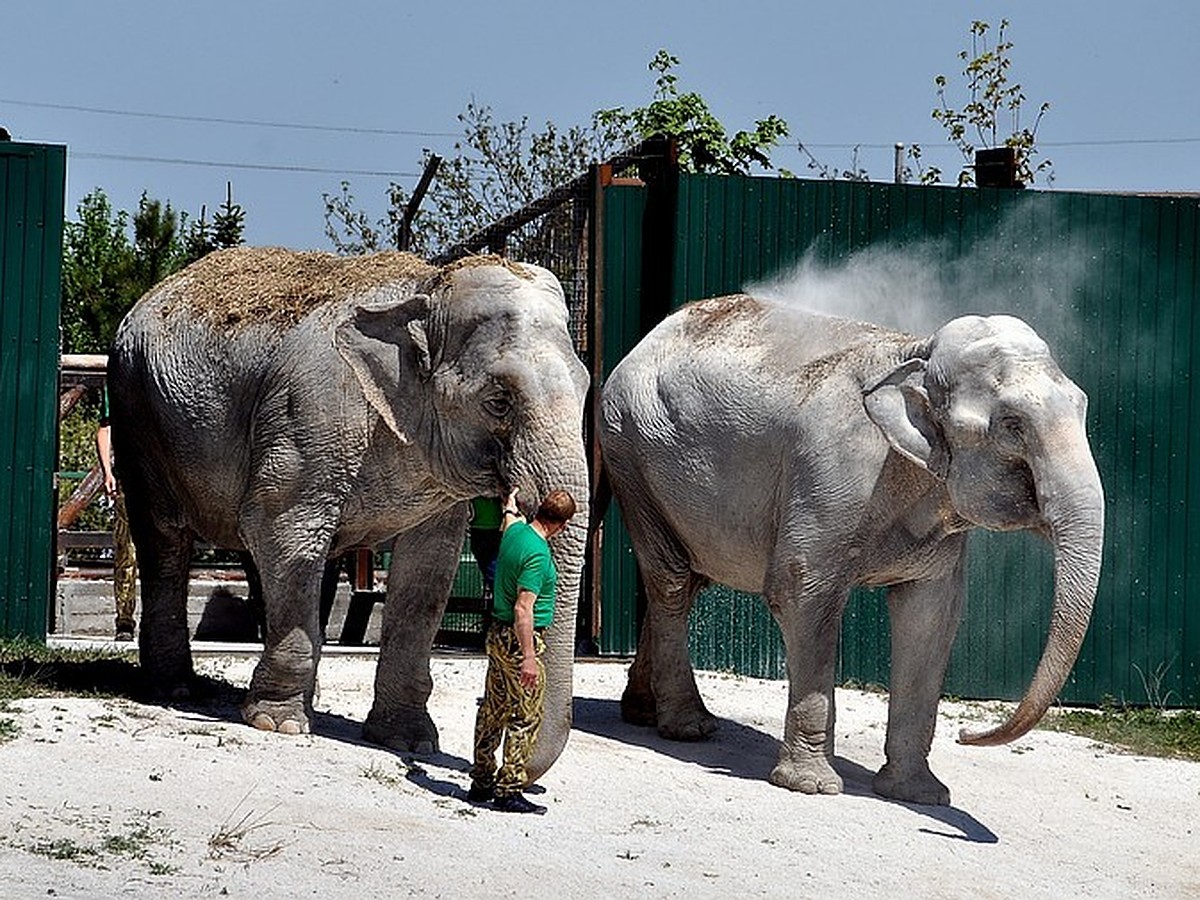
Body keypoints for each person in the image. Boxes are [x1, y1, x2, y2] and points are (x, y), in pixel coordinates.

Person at [468, 487, 576, 814]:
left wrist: (510, 505)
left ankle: (481, 781)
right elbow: (523, 609)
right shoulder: (538, 555)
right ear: (563, 524)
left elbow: (510, 518)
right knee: (525, 715)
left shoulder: (515, 533)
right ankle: (508, 789)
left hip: (497, 635)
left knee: (493, 710)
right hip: (519, 640)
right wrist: (529, 656)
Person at [96, 388, 137, 641]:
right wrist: (107, 471)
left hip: (163, 481)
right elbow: (106, 426)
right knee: (126, 552)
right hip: (129, 479)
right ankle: (125, 620)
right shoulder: (119, 381)